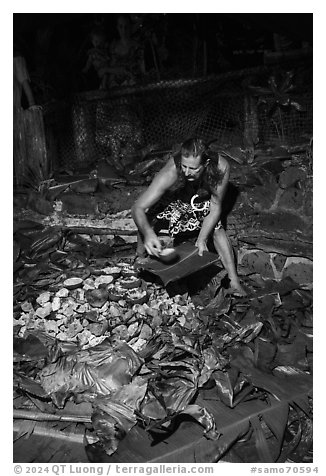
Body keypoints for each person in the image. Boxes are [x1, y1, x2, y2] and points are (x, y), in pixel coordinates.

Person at [131, 138, 247, 296]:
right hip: (177, 197)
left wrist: (202, 239)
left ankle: (234, 281)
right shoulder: (172, 171)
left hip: (201, 197)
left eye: (193, 168)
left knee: (217, 228)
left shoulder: (221, 167)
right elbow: (138, 207)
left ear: (205, 164)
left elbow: (215, 206)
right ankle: (140, 257)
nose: (186, 172)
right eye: (184, 166)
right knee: (149, 216)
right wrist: (149, 234)